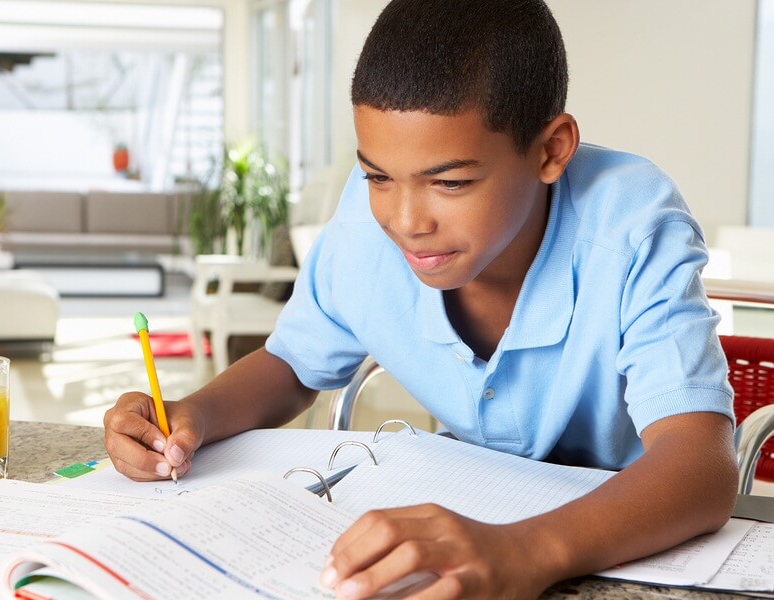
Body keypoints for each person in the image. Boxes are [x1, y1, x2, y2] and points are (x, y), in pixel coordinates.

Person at [103, 0, 738, 597]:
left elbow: (701, 465)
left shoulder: (633, 224)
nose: (406, 220)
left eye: (451, 182)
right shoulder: (363, 227)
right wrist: (194, 415)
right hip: (468, 505)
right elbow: (295, 365)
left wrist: (526, 552)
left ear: (551, 151)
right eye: (376, 175)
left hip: (626, 532)